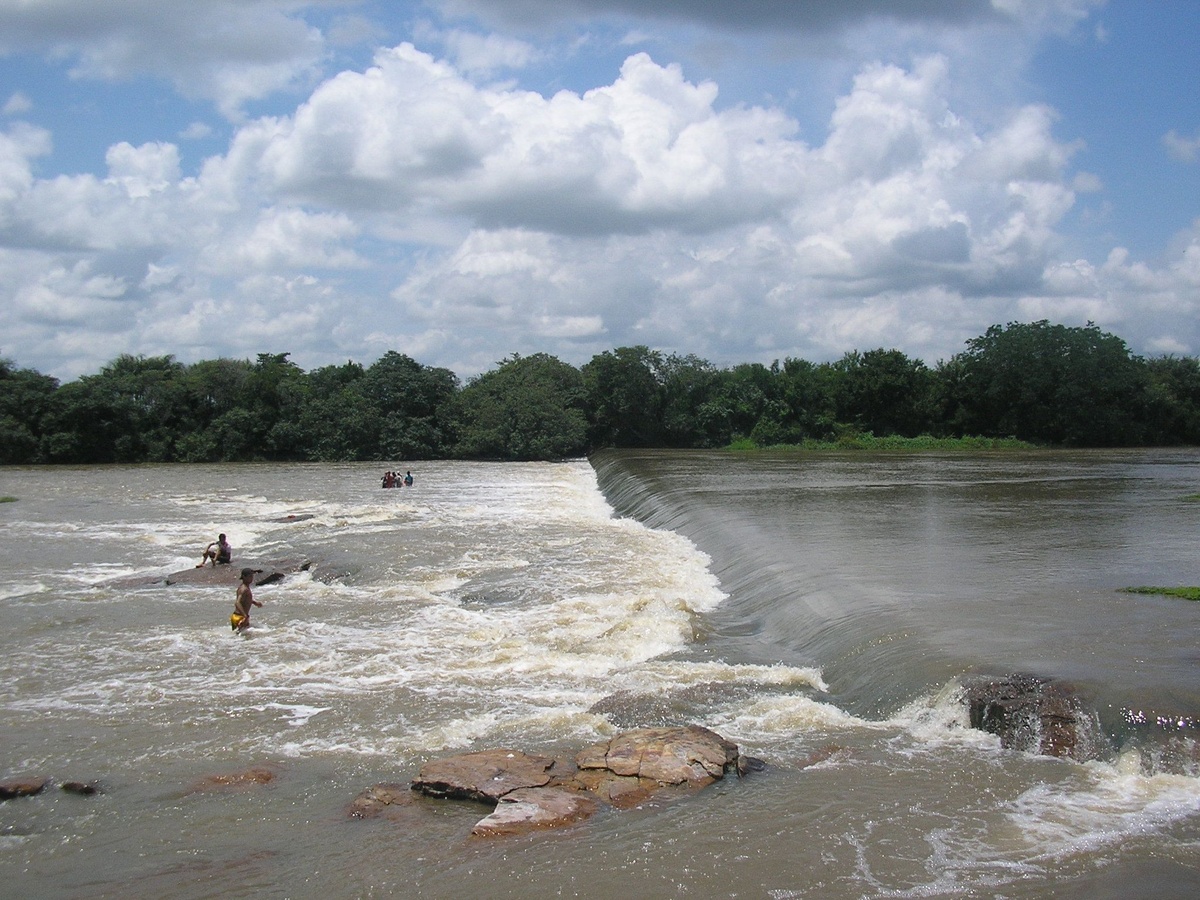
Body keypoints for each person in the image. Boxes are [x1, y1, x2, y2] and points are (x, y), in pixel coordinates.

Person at [230, 568, 261, 632]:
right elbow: (237, 603)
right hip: (239, 617)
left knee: (239, 638)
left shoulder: (245, 587)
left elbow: (245, 600)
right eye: (250, 576)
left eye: (252, 576)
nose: (252, 578)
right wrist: (245, 616)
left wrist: (254, 602)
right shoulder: (244, 589)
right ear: (244, 577)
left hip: (238, 616)